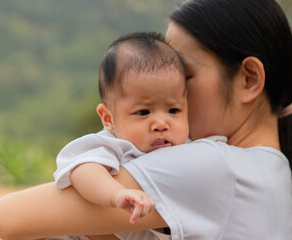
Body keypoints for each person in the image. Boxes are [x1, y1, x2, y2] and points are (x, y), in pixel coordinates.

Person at [0, 0, 292, 240]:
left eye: (184, 77)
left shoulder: (216, 165)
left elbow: (5, 217)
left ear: (249, 80)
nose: (170, 98)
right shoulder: (269, 169)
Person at [53, 32, 190, 227]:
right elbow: (83, 170)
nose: (161, 124)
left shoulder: (192, 146)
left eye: (174, 110)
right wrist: (117, 193)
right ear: (108, 118)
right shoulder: (113, 145)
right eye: (143, 112)